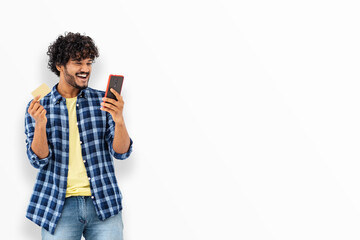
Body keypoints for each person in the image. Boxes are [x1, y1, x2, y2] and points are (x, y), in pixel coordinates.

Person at [24, 32, 133, 240]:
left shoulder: (103, 101)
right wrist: (40, 124)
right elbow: (38, 159)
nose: (85, 69)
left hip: (103, 202)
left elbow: (121, 153)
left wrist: (119, 119)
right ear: (59, 65)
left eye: (89, 62)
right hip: (58, 206)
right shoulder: (39, 106)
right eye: (77, 63)